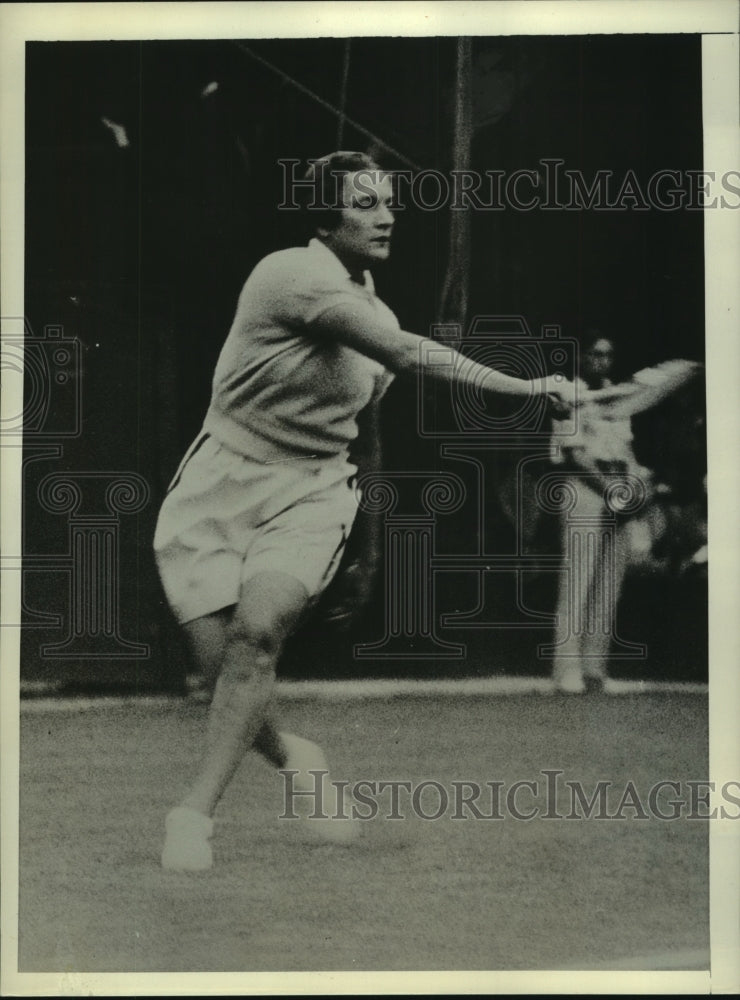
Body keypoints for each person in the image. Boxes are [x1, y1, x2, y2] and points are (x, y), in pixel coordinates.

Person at [154, 150, 577, 870]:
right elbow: (415, 357)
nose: (387, 215)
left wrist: (362, 540)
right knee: (221, 667)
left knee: (257, 638)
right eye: (366, 201)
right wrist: (530, 387)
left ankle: (192, 815)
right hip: (216, 484)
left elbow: (367, 426)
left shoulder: (377, 312)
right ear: (325, 216)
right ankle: (297, 760)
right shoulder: (290, 276)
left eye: (390, 200)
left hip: (313, 491)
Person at [549, 332, 702, 693]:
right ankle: (565, 672)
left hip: (618, 492)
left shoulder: (621, 397)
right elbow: (576, 455)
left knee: (608, 586)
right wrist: (612, 490)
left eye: (607, 354)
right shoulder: (566, 395)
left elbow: (626, 452)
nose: (601, 360)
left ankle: (594, 672)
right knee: (578, 583)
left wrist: (635, 487)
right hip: (583, 492)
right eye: (594, 354)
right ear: (581, 357)